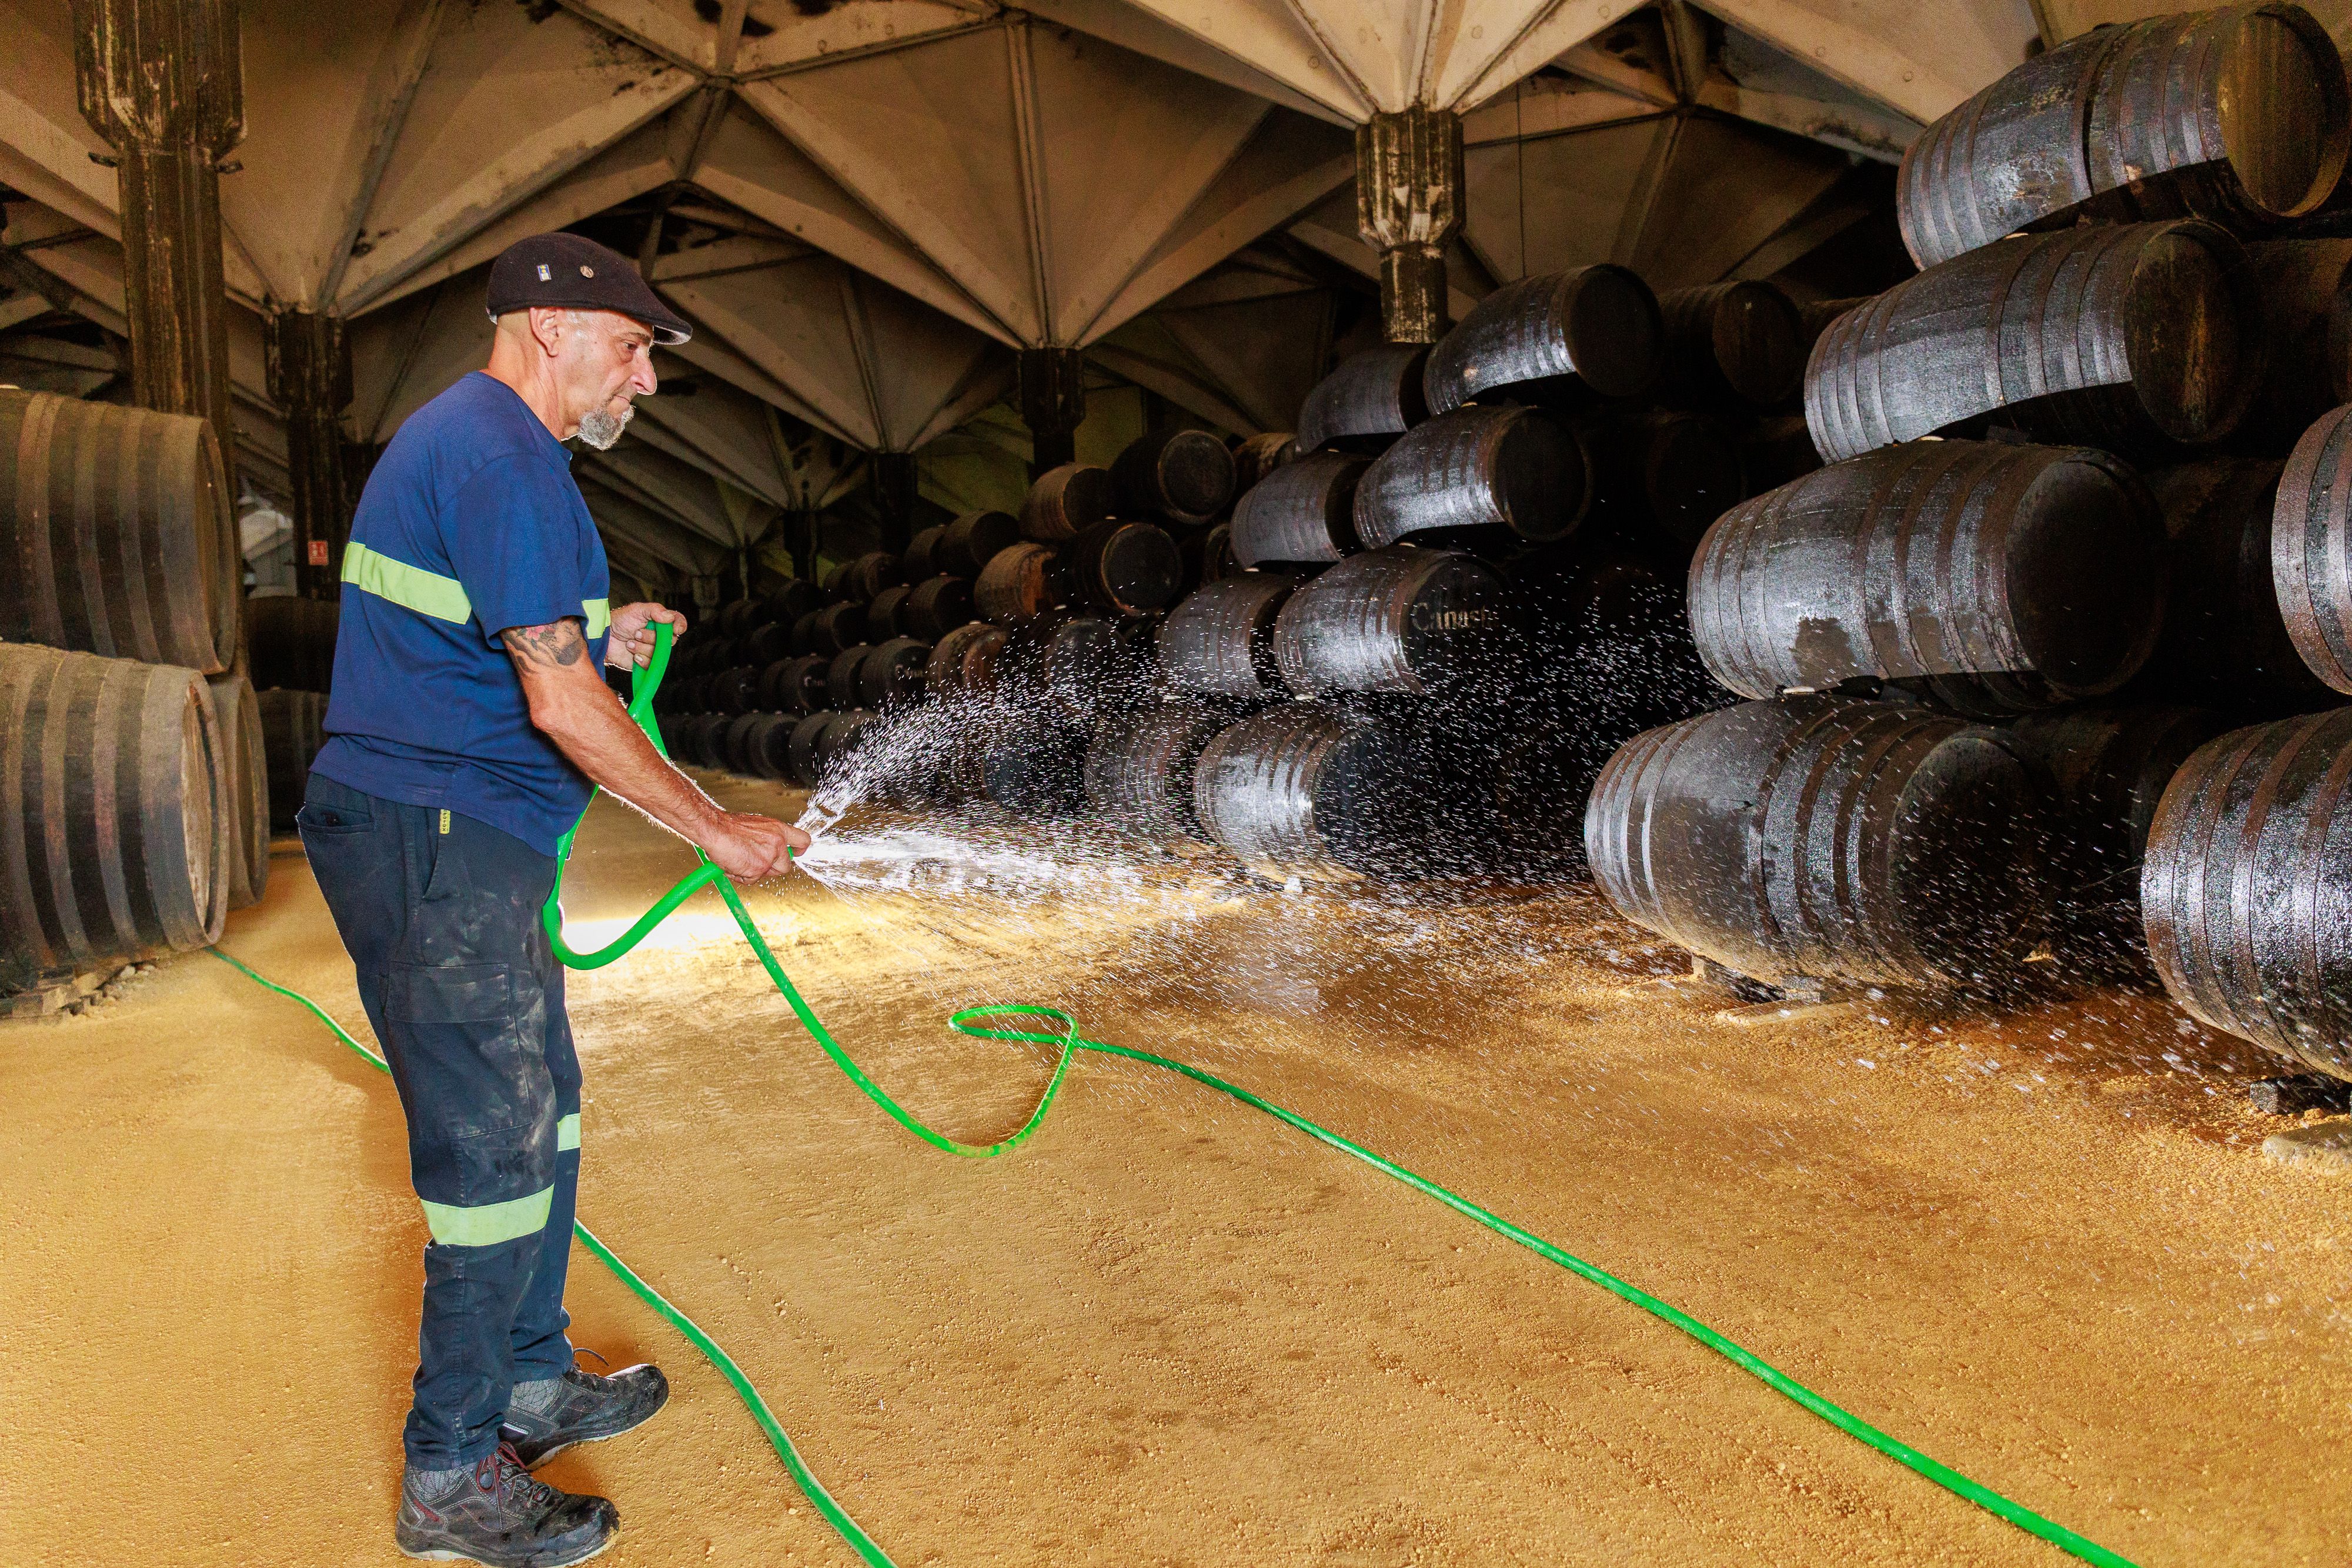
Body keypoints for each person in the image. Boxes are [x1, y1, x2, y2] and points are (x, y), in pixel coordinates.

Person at [298, 232, 808, 1568]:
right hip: (436, 836)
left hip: (471, 835)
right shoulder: (498, 450)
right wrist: (711, 828)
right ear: (549, 328)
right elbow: (559, 698)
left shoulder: (492, 451)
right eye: (632, 347)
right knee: (491, 1155)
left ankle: (528, 1375)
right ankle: (452, 1468)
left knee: (543, 1107)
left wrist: (607, 622)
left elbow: (536, 642)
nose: (641, 378)